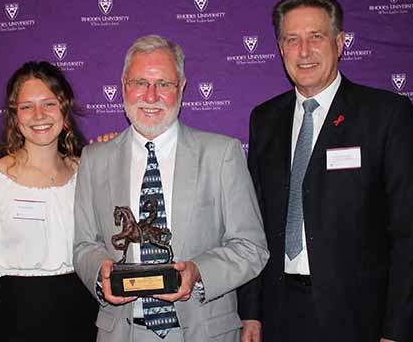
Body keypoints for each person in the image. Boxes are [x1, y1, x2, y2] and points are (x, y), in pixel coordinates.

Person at [238, 0, 413, 342]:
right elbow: (255, 223)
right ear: (280, 49)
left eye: (316, 37)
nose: (304, 51)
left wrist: (397, 330)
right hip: (280, 313)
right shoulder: (264, 120)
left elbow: (410, 236)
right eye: (291, 40)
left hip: (359, 317)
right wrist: (251, 312)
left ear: (340, 42)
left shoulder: (385, 115)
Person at [73, 35, 269, 341]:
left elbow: (251, 247)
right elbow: (84, 245)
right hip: (124, 333)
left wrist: (198, 272)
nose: (150, 97)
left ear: (182, 87)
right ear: (124, 85)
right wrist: (102, 274)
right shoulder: (94, 159)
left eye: (163, 84)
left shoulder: (221, 155)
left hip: (204, 331)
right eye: (140, 82)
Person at [0, 61, 97, 341]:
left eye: (49, 103)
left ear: (64, 109)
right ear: (14, 116)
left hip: (86, 319)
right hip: (18, 322)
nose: (38, 115)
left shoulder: (89, 171)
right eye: (26, 107)